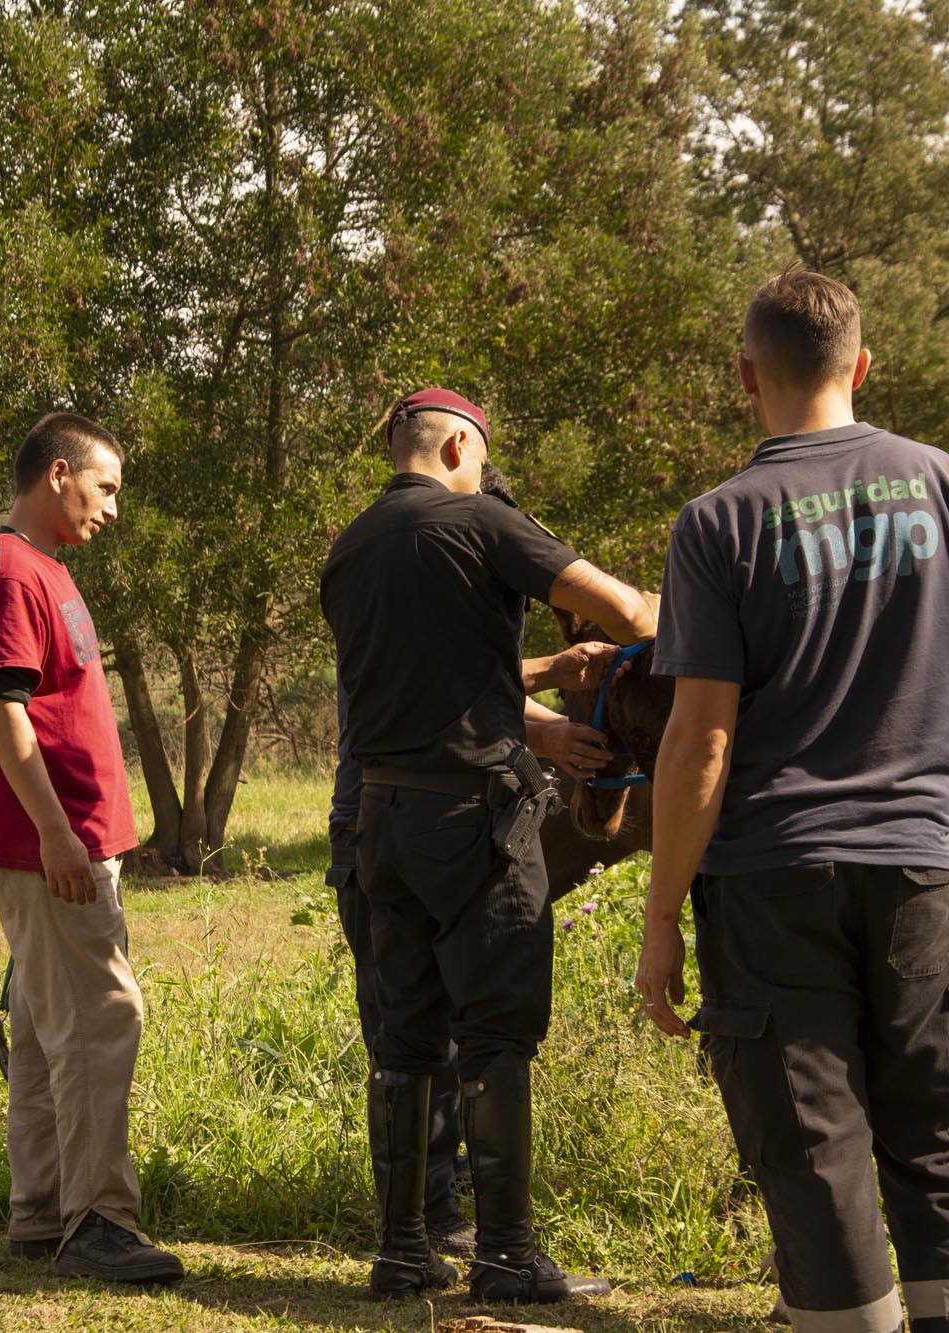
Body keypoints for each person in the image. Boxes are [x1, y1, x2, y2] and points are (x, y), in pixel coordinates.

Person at [633, 271, 949, 1333]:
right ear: (860, 366)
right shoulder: (936, 479)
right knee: (935, 1131)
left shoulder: (716, 523)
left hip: (769, 877)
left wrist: (663, 912)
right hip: (912, 864)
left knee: (812, 1144)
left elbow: (699, 741)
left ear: (742, 376)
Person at [321, 388, 655, 1302]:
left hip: (380, 821)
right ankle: (506, 1252)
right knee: (498, 1036)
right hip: (473, 821)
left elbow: (442, 676)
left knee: (405, 1040)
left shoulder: (348, 550)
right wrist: (681, 615)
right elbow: (623, 609)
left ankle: (402, 1251)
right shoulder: (479, 523)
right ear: (462, 444)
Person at [0, 412, 182, 1285]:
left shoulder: (42, 570)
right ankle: (99, 1222)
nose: (113, 508)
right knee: (98, 1020)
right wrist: (55, 830)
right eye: (107, 486)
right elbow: (2, 707)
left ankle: (42, 1213)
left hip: (68, 839)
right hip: (55, 843)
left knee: (55, 1031)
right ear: (58, 474)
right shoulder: (11, 571)